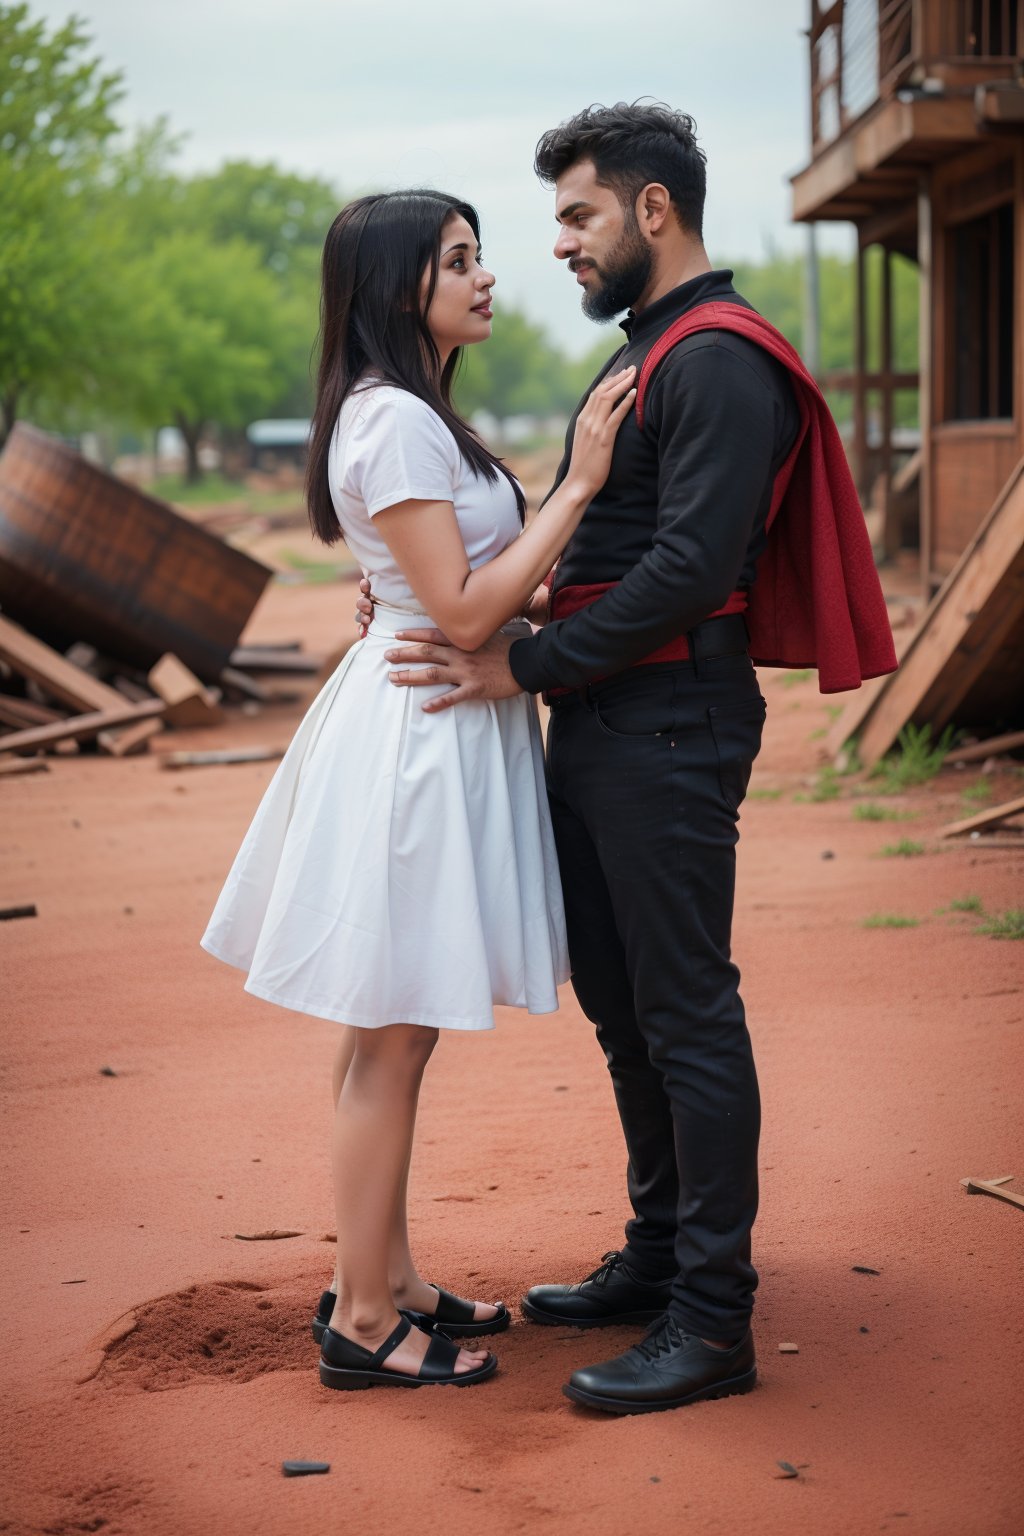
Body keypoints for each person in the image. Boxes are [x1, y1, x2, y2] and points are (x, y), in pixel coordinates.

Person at [369, 103, 896, 1415]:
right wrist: (475, 609)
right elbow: (612, 552)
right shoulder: (652, 348)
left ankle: (713, 1321)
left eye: (577, 215)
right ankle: (664, 1258)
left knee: (688, 1015)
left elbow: (686, 571)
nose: (556, 244)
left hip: (669, 724)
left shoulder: (717, 359)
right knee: (625, 1007)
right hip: (606, 722)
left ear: (652, 211)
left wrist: (520, 663)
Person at [201, 188, 636, 1393]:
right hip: (419, 735)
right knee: (391, 1037)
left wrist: (503, 577)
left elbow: (453, 581)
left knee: (394, 1030)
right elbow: (456, 611)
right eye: (458, 261)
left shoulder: (410, 413)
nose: (487, 276)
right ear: (402, 290)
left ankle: (384, 1276)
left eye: (480, 255)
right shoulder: (394, 420)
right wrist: (580, 486)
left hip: (429, 721)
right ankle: (358, 1315)